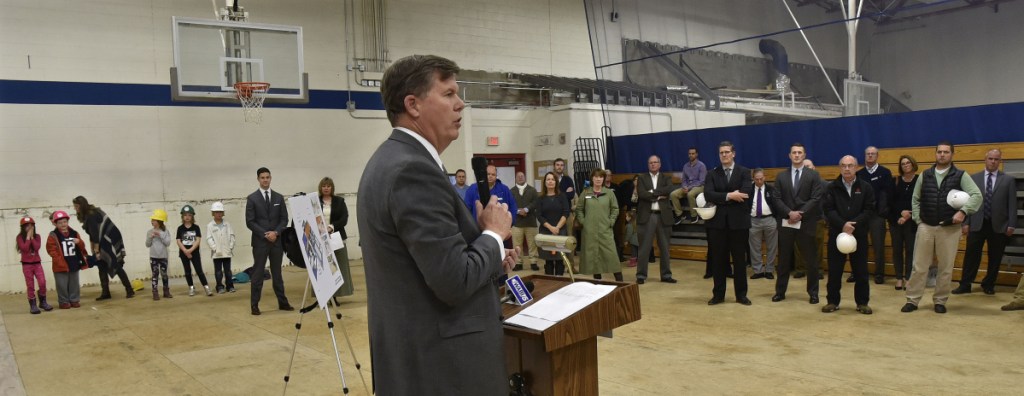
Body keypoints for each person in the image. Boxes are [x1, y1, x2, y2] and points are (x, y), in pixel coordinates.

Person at [357, 54, 517, 394]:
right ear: (413, 104)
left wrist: (485, 249)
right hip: (444, 369)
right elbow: (453, 281)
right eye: (448, 94)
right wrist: (493, 234)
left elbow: (424, 266)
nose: (461, 104)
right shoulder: (412, 171)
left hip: (418, 360)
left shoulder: (391, 161)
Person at [901, 141, 981, 314]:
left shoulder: (960, 175)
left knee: (945, 267)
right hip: (926, 226)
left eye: (946, 152)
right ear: (935, 154)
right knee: (919, 266)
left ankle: (940, 300)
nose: (942, 155)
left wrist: (963, 212)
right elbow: (915, 199)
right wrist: (918, 220)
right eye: (939, 152)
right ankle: (912, 300)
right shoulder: (925, 174)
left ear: (952, 154)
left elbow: (977, 195)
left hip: (949, 229)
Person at [955, 149, 1016, 295]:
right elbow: (967, 202)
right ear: (985, 159)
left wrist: (1012, 224)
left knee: (995, 257)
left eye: (996, 159)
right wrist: (965, 223)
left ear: (1000, 161)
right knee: (971, 255)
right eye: (990, 158)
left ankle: (989, 284)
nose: (993, 161)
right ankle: (965, 284)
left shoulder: (1008, 180)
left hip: (999, 225)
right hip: (976, 223)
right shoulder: (973, 178)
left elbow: (1012, 204)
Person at [822, 156, 876, 314]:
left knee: (861, 271)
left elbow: (869, 209)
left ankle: (862, 303)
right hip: (836, 235)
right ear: (840, 168)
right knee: (834, 271)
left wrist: (853, 224)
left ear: (856, 167)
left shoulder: (865, 187)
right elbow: (828, 210)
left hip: (858, 235)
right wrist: (842, 224)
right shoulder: (831, 187)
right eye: (844, 166)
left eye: (850, 165)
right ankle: (832, 302)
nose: (847, 169)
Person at [772, 143, 823, 305]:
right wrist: (789, 213)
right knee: (784, 260)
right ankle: (780, 292)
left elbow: (816, 198)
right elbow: (776, 198)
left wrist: (800, 213)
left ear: (804, 155)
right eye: (794, 152)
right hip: (786, 223)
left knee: (811, 261)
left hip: (806, 223)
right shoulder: (781, 176)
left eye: (799, 152)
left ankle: (813, 293)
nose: (796, 155)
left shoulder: (813, 175)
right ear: (789, 155)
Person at [704, 141, 753, 305]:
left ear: (733, 153)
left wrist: (722, 196)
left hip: (738, 224)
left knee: (740, 261)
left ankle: (741, 295)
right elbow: (709, 194)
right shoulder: (712, 173)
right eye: (721, 153)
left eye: (726, 152)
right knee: (718, 261)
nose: (724, 155)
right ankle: (718, 295)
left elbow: (746, 193)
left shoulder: (744, 172)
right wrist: (730, 196)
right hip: (717, 224)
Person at [246, 167, 293, 315]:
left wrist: (276, 232)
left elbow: (284, 219)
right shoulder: (252, 198)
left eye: (267, 177)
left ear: (271, 178)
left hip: (276, 242)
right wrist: (265, 234)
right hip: (260, 242)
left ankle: (283, 303)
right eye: (262, 177)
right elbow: (250, 222)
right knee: (258, 274)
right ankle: (254, 305)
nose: (265, 180)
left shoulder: (279, 198)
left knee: (277, 274)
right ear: (258, 179)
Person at [73, 196, 133, 300]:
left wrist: (96, 250)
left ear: (82, 205)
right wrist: (92, 248)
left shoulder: (91, 215)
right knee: (101, 266)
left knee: (115, 265)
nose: (75, 208)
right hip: (102, 240)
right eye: (74, 206)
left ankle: (129, 289)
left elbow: (96, 234)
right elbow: (92, 234)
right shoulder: (89, 214)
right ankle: (105, 293)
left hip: (107, 240)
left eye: (77, 206)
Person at [635, 155, 678, 284]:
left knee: (665, 247)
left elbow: (669, 189)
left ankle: (666, 275)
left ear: (660, 164)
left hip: (663, 216)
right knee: (644, 248)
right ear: (648, 165)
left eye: (655, 162)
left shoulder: (666, 178)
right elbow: (642, 193)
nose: (653, 164)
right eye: (650, 163)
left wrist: (652, 192)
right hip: (647, 216)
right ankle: (641, 275)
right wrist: (658, 195)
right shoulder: (641, 178)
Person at [855, 146, 893, 284]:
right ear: (864, 156)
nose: (870, 156)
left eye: (872, 154)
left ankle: (879, 274)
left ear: (877, 156)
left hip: (877, 215)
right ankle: (858, 272)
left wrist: (884, 211)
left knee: (878, 246)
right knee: (859, 245)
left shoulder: (885, 173)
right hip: (862, 215)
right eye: (868, 154)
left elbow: (889, 195)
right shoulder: (858, 174)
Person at [576, 168, 623, 281]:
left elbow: (615, 209)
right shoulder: (586, 192)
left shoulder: (609, 193)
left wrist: (610, 222)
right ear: (592, 178)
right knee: (593, 259)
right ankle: (597, 283)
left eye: (601, 177)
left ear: (604, 178)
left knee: (612, 257)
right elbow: (579, 209)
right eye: (596, 177)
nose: (598, 179)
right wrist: (584, 222)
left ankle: (621, 282)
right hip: (590, 231)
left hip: (605, 230)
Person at [45, 210, 90, 309]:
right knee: (61, 284)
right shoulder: (53, 235)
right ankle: (63, 301)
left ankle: (74, 300)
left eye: (65, 222)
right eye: (60, 223)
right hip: (60, 264)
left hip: (73, 262)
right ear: (55, 224)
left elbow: (82, 247)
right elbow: (51, 249)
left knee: (74, 283)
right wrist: (58, 260)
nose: (63, 224)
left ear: (68, 221)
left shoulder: (74, 233)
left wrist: (79, 242)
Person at [318, 177, 354, 297]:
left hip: (336, 238)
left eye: (328, 186)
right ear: (320, 188)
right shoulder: (316, 201)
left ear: (332, 187)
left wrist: (331, 227)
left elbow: (344, 219)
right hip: (320, 238)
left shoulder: (339, 201)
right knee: (323, 268)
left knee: (338, 267)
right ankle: (325, 295)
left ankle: (337, 294)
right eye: (324, 186)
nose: (326, 188)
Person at [890, 155, 919, 290]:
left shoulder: (920, 180)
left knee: (910, 250)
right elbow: (891, 202)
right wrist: (900, 214)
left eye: (908, 163)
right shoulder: (895, 181)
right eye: (903, 164)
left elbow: (921, 201)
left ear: (913, 164)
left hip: (913, 222)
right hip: (896, 221)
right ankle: (899, 278)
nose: (906, 165)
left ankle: (908, 278)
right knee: (897, 250)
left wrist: (909, 215)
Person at [536, 172, 571, 276]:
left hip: (560, 231)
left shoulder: (562, 196)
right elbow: (539, 215)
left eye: (552, 179)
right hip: (546, 231)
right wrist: (551, 228)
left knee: (560, 259)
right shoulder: (540, 198)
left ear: (556, 182)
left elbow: (566, 212)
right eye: (548, 179)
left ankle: (559, 283)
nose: (550, 181)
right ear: (545, 182)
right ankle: (550, 282)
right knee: (549, 260)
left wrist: (557, 227)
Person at [17, 216, 53, 314]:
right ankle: (33, 305)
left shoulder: (37, 236)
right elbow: (24, 248)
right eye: (26, 226)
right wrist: (28, 237)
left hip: (37, 264)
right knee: (30, 285)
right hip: (26, 265)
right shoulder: (20, 237)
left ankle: (43, 302)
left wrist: (32, 237)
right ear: (23, 227)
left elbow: (37, 247)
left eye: (31, 226)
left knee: (42, 282)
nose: (29, 228)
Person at [749, 168, 780, 280]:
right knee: (754, 247)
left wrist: (776, 219)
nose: (759, 181)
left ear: (764, 178)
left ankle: (769, 270)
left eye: (761, 179)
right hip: (753, 220)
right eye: (756, 179)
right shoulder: (749, 189)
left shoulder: (771, 189)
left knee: (772, 246)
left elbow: (777, 204)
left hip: (769, 219)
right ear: (753, 179)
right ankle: (758, 270)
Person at [176, 205, 213, 297]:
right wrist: (185, 250)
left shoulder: (196, 227)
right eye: (185, 215)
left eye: (189, 215)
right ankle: (191, 287)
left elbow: (198, 240)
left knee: (199, 270)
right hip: (184, 253)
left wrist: (190, 250)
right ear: (182, 217)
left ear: (192, 216)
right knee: (187, 271)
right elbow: (178, 241)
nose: (187, 217)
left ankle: (206, 287)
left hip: (194, 253)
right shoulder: (180, 228)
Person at [511, 171, 540, 271]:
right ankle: (518, 263)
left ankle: (533, 262)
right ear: (515, 178)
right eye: (518, 176)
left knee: (532, 244)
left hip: (530, 222)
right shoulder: (511, 191)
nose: (520, 178)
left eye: (522, 176)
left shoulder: (532, 190)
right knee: (517, 245)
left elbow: (536, 202)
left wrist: (527, 209)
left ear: (525, 177)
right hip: (517, 222)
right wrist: (518, 211)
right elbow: (510, 204)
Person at [670, 147, 707, 224]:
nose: (691, 155)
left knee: (690, 194)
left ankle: (694, 215)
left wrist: (689, 188)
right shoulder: (685, 166)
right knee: (673, 194)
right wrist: (684, 187)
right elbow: (684, 180)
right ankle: (679, 214)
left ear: (696, 154)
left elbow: (701, 181)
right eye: (689, 154)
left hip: (700, 187)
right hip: (687, 187)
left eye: (693, 153)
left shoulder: (701, 166)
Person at [207, 201, 236, 294]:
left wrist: (230, 247)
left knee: (228, 271)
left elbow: (232, 236)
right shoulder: (210, 225)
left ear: (223, 213)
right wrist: (215, 248)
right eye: (216, 212)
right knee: (218, 272)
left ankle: (230, 286)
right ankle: (219, 286)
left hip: (227, 252)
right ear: (213, 213)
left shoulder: (227, 224)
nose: (219, 214)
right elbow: (209, 238)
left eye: (220, 212)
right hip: (217, 253)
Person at [146, 209, 173, 300]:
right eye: (152, 220)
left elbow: (167, 243)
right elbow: (147, 244)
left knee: (164, 274)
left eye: (154, 220)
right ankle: (155, 292)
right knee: (155, 274)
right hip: (153, 257)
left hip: (163, 256)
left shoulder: (165, 231)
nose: (152, 221)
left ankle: (166, 291)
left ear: (159, 221)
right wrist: (151, 237)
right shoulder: (150, 232)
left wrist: (160, 235)